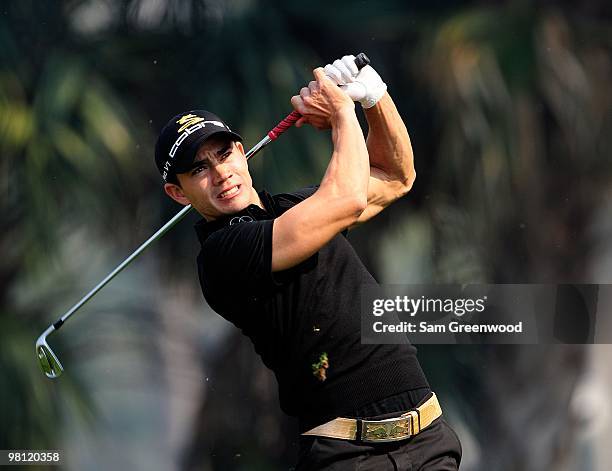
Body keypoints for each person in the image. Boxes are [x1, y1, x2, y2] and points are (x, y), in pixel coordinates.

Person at [154, 55, 462, 470]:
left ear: (242, 153)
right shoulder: (222, 255)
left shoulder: (294, 208)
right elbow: (348, 198)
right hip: (351, 457)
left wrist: (373, 95)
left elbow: (395, 176)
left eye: (224, 154)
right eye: (199, 169)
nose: (221, 173)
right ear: (178, 193)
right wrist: (340, 113)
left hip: (429, 439)